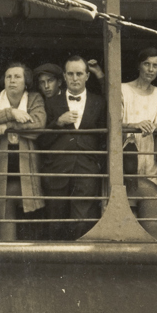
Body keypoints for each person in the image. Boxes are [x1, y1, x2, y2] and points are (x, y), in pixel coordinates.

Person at [40, 55, 106, 240]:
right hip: (57, 170)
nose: (75, 78)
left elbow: (103, 138)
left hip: (87, 169)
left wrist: (96, 164)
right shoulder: (51, 102)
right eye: (70, 74)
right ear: (64, 76)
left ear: (87, 76)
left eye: (79, 74)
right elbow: (41, 140)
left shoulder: (99, 102)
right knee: (55, 221)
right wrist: (58, 123)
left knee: (83, 221)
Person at [0, 62, 46, 241]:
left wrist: (7, 125)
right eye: (8, 77)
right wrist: (11, 113)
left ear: (26, 81)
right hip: (0, 171)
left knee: (30, 218)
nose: (12, 81)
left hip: (26, 171)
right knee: (3, 217)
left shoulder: (34, 99)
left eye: (17, 77)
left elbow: (39, 123)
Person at [122, 48, 157, 191]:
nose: (150, 69)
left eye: (155, 66)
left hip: (149, 152)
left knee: (150, 197)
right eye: (146, 64)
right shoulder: (123, 89)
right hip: (126, 149)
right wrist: (135, 125)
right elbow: (114, 121)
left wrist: (152, 126)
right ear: (138, 65)